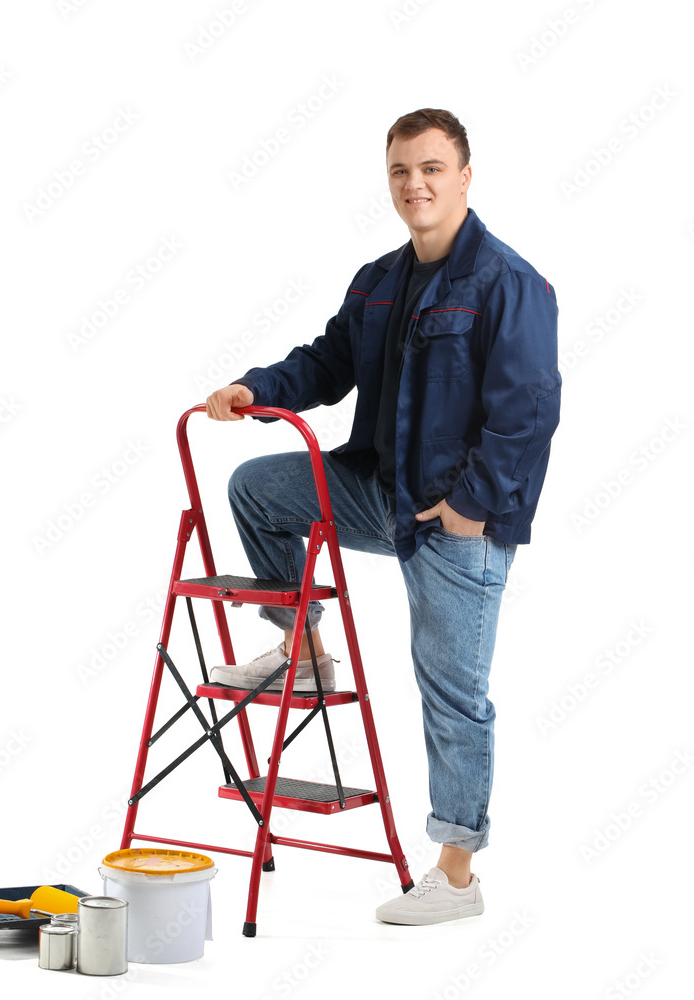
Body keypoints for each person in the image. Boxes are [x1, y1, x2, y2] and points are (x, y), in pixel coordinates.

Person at [204, 108, 560, 925]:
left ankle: (457, 877)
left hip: (455, 519)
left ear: (465, 177)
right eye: (401, 170)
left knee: (453, 694)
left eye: (432, 168)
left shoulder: (509, 283)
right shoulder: (378, 279)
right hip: (381, 491)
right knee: (257, 487)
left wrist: (472, 506)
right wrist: (259, 390)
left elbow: (530, 411)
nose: (415, 185)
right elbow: (327, 362)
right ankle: (305, 651)